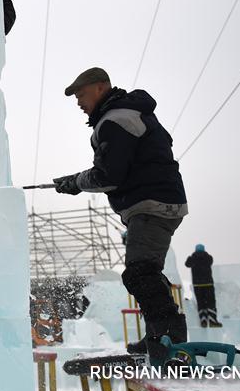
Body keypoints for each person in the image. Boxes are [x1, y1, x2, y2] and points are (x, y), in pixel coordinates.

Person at [52, 67, 188, 361]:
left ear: (100, 87)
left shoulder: (115, 120)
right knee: (146, 272)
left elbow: (109, 175)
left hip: (153, 203)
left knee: (140, 273)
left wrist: (75, 182)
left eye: (81, 94)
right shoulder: (122, 115)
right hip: (157, 201)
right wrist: (76, 180)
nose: (78, 102)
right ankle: (159, 335)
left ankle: (169, 337)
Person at [185, 244, 222, 328]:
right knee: (210, 302)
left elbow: (187, 264)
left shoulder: (192, 258)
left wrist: (191, 257)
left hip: (197, 285)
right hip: (208, 284)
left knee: (201, 303)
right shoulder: (208, 257)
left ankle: (203, 320)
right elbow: (210, 261)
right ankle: (212, 321)